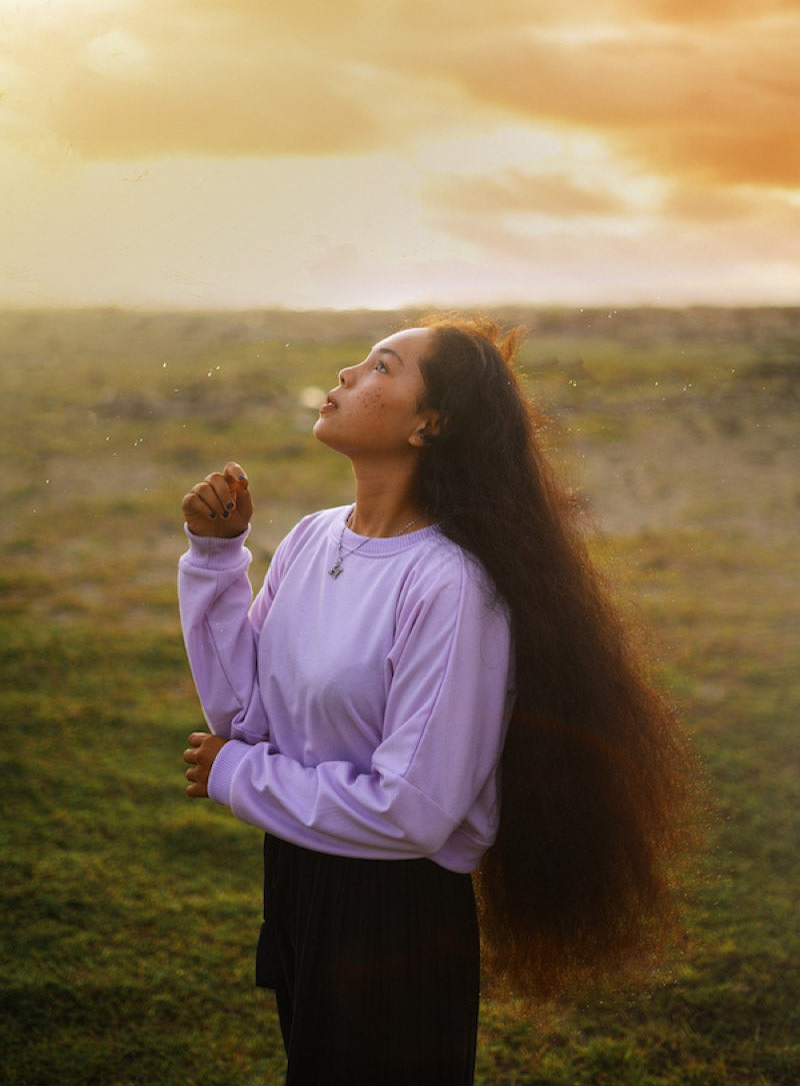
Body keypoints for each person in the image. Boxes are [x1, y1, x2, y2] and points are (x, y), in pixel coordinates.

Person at [179, 317, 692, 1085]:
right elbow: (246, 720)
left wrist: (237, 777)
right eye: (360, 357)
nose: (349, 372)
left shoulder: (450, 585)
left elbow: (413, 812)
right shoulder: (313, 540)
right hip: (297, 872)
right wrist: (217, 558)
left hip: (392, 920)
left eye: (382, 366)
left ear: (431, 423)